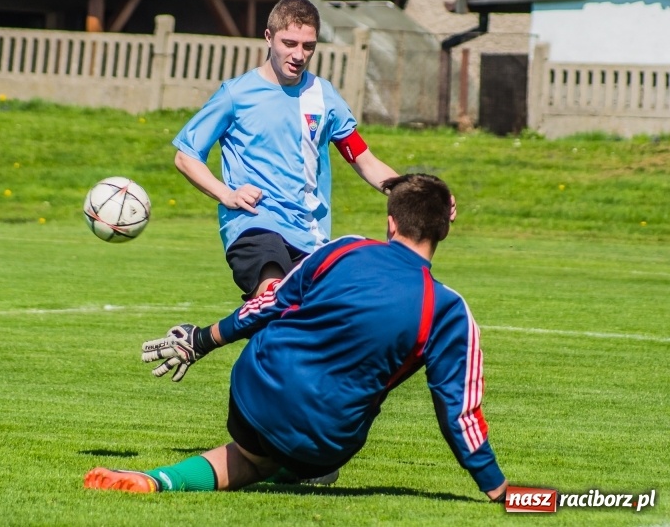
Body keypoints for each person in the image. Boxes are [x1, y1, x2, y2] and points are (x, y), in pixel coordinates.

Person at [84, 173, 508, 502]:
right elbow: (459, 413)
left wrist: (201, 340)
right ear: (445, 228)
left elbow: (267, 304)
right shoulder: (449, 311)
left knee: (254, 454)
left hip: (252, 391)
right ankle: (295, 466)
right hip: (323, 439)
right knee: (280, 457)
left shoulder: (344, 249)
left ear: (391, 222)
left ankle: (157, 480)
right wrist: (498, 488)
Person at [171, 0, 403, 301]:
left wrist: (416, 194)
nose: (299, 55)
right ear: (269, 37)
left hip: (309, 234)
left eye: (308, 46)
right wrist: (227, 195)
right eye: (289, 43)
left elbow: (364, 160)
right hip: (254, 224)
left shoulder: (324, 97)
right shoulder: (236, 95)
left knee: (311, 319)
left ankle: (204, 332)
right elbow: (186, 156)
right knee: (274, 297)